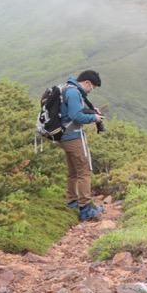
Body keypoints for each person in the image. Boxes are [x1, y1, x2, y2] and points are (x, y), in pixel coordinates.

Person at [59, 69, 105, 222]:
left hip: (65, 136)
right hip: (73, 137)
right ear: (87, 83)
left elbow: (71, 111)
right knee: (85, 170)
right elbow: (75, 116)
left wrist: (90, 111)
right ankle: (85, 208)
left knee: (73, 171)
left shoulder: (67, 89)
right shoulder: (73, 93)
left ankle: (72, 202)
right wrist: (94, 118)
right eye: (92, 87)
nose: (91, 91)